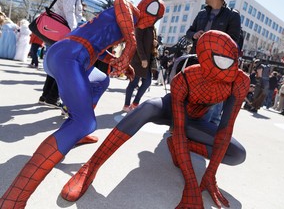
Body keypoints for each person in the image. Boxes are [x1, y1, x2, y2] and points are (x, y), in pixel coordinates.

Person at [0, 0, 165, 208]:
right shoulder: (128, 10)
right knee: (84, 121)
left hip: (70, 55)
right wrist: (130, 46)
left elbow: (96, 47)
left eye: (157, 18)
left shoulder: (121, 23)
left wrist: (117, 60)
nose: (152, 20)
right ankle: (13, 198)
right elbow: (122, 1)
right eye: (153, 13)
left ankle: (79, 131)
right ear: (144, 8)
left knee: (101, 79)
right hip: (71, 56)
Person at [59, 30, 250, 208]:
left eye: (235, 59)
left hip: (194, 120)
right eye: (224, 62)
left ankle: (175, 146)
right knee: (147, 107)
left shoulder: (240, 81)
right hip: (169, 110)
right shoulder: (185, 78)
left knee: (237, 154)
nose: (233, 69)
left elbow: (226, 128)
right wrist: (191, 184)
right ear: (207, 60)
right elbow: (179, 130)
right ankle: (91, 166)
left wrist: (210, 175)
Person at [186, 0, 241, 121]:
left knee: (213, 100)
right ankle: (184, 123)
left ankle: (209, 128)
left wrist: (213, 39)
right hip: (197, 60)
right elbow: (189, 32)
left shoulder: (233, 15)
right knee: (192, 94)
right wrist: (195, 35)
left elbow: (233, 42)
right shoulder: (201, 13)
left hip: (218, 66)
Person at [39, 0, 83, 107]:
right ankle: (52, 97)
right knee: (64, 66)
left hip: (58, 30)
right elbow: (69, 11)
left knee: (56, 64)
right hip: (65, 31)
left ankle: (46, 96)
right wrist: (75, 33)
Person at [122, 27, 158, 112]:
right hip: (139, 60)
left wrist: (156, 43)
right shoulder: (141, 25)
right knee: (133, 83)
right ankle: (126, 105)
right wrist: (143, 58)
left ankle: (135, 103)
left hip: (148, 60)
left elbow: (151, 44)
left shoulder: (153, 28)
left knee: (147, 82)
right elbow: (138, 42)